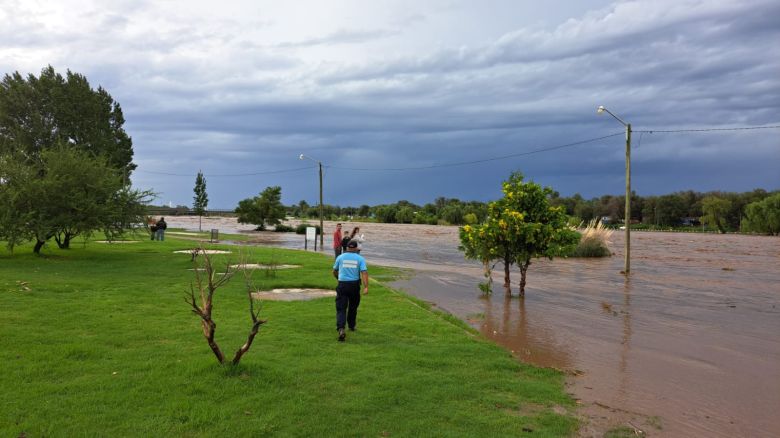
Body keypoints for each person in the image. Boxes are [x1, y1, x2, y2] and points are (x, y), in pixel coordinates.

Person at [332, 240, 368, 342]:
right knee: (353, 307)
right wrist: (366, 287)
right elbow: (364, 272)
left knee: (341, 308)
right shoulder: (360, 258)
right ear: (356, 248)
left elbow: (334, 271)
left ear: (347, 248)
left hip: (342, 284)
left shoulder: (340, 257)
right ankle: (352, 326)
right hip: (354, 285)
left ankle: (341, 328)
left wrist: (338, 278)